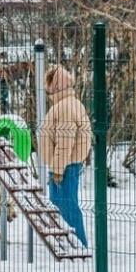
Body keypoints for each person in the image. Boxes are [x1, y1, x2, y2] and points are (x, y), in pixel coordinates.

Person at [37, 65, 92, 246]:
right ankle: (69, 243)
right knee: (63, 206)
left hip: (64, 166)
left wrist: (58, 170)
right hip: (66, 164)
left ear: (57, 86)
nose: (47, 89)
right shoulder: (70, 104)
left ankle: (77, 244)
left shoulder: (65, 107)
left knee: (66, 207)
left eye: (49, 84)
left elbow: (65, 141)